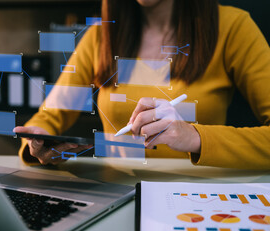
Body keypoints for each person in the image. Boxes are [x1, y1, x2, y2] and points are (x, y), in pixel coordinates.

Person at [14, 0, 270, 169]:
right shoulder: (101, 36)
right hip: (115, 195)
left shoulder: (232, 27)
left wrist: (194, 137)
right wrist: (38, 139)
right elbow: (50, 115)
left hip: (198, 198)